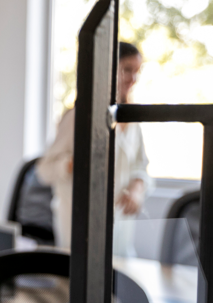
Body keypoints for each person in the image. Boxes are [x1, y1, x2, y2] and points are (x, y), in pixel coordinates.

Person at [37, 42, 153, 253]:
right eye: (127, 70)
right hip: (79, 223)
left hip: (119, 227)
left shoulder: (132, 120)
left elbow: (140, 167)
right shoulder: (78, 118)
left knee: (116, 279)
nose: (132, 79)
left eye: (137, 72)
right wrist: (72, 164)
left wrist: (136, 191)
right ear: (108, 69)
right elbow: (44, 170)